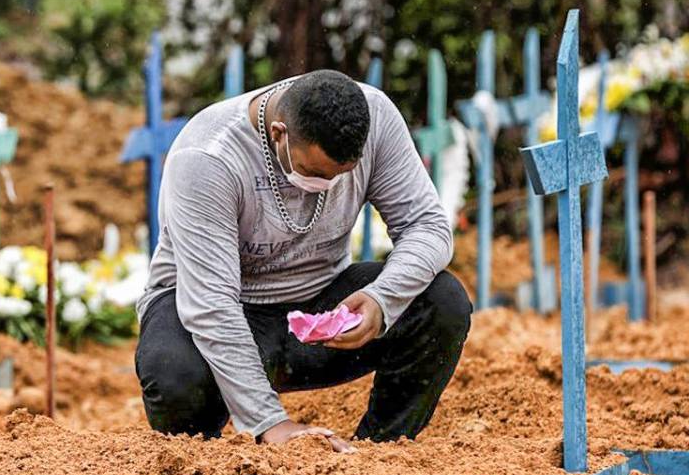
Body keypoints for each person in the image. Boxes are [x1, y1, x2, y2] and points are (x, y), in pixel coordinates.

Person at [135, 69, 470, 452]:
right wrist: (271, 424)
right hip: (214, 312)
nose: (326, 184)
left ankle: (377, 455)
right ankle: (203, 470)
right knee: (174, 374)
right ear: (279, 133)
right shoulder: (208, 158)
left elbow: (428, 226)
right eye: (314, 173)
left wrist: (382, 297)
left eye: (340, 175)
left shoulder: (376, 117)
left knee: (442, 301)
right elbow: (211, 305)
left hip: (316, 311)